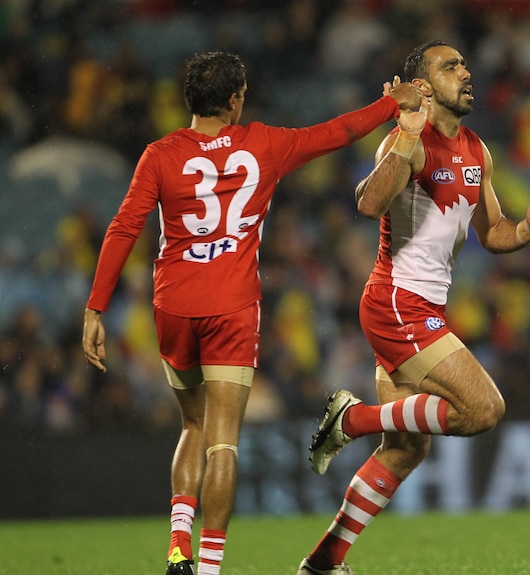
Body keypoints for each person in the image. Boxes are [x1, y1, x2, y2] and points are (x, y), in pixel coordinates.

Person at [81, 51, 421, 575]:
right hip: (231, 307)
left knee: (191, 425)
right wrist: (389, 104)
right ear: (235, 98)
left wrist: (96, 307)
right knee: (224, 441)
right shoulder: (263, 144)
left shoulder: (160, 154)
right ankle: (211, 569)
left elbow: (124, 227)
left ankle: (178, 550)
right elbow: (338, 132)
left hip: (174, 305)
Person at [297, 40, 530, 575]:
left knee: (406, 450)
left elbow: (493, 233)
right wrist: (408, 134)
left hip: (414, 306)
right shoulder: (405, 142)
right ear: (421, 86)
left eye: (464, 63)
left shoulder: (476, 150)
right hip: (398, 302)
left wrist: (528, 231)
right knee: (483, 409)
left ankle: (324, 563)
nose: (466, 72)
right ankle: (354, 418)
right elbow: (368, 204)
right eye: (450, 66)